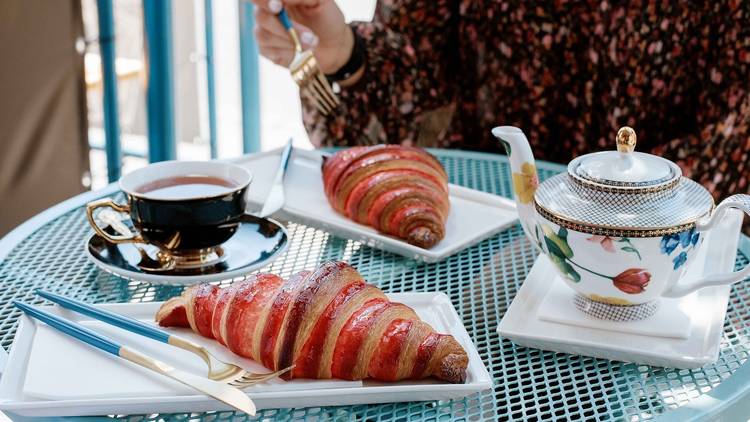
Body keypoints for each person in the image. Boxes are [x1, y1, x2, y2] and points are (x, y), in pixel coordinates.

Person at [252, 0, 749, 204]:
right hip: (473, 260)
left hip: (664, 290)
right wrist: (342, 55)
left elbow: (731, 149)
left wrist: (580, 236)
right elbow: (405, 135)